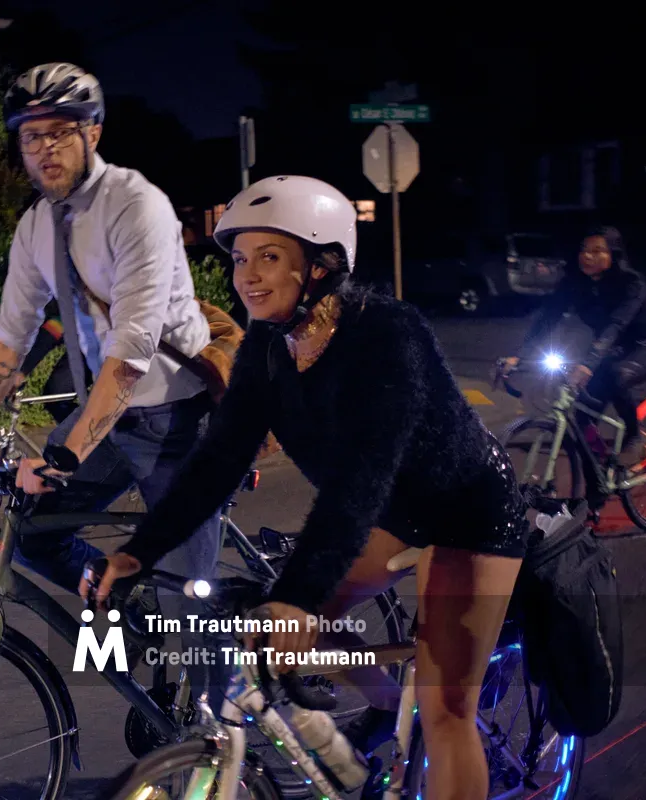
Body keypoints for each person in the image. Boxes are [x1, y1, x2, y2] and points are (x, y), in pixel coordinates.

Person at [81, 175, 529, 800]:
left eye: (269, 257)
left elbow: (358, 482)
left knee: (445, 708)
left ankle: (426, 718)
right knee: (286, 630)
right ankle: (388, 710)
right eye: (241, 259)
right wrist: (139, 551)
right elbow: (219, 461)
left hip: (468, 514)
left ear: (321, 266)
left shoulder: (388, 335)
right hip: (393, 512)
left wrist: (297, 596)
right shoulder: (268, 346)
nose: (247, 276)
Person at [0, 63, 226, 694]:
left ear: (94, 132)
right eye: (31, 136)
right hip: (107, 419)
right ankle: (129, 621)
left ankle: (218, 725)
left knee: (189, 604)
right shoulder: (37, 224)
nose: (45, 148)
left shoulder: (137, 206)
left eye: (60, 131)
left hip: (177, 419)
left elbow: (132, 350)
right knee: (31, 534)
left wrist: (65, 454)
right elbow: (12, 331)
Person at [501, 225, 646, 467]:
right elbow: (547, 319)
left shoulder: (632, 284)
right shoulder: (575, 283)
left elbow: (616, 324)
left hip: (641, 346)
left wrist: (588, 364)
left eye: (597, 251)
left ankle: (635, 437)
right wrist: (519, 356)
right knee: (582, 417)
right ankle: (599, 474)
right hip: (609, 348)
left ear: (613, 255)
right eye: (584, 249)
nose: (587, 256)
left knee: (617, 375)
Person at [16, 299, 91, 424]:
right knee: (55, 396)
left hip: (108, 343)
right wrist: (19, 370)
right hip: (87, 344)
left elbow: (48, 336)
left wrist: (21, 372)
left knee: (57, 395)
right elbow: (46, 338)